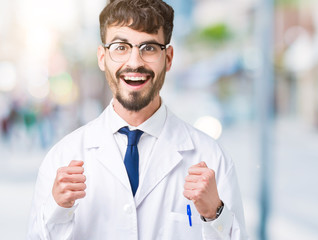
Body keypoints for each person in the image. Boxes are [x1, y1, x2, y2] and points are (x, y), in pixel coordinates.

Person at [28, 0, 248, 239]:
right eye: (121, 47)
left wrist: (214, 214)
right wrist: (58, 209)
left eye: (149, 48)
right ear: (102, 57)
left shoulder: (212, 158)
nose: (134, 62)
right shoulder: (63, 158)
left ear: (169, 58)